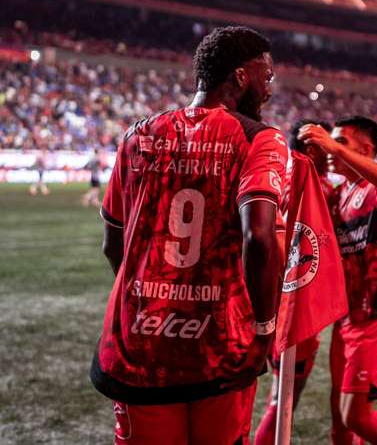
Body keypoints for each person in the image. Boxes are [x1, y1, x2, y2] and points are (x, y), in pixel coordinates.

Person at [91, 26, 288, 445]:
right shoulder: (259, 139)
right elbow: (259, 236)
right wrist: (265, 326)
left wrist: (150, 298)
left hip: (139, 343)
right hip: (220, 344)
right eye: (266, 76)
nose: (269, 89)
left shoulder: (138, 135)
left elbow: (113, 242)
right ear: (240, 77)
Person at [298, 115, 377, 445]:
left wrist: (333, 147)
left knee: (356, 415)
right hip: (345, 318)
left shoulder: (375, 189)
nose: (332, 147)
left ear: (366, 149)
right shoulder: (337, 195)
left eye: (342, 142)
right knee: (340, 418)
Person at [252, 120, 334, 445]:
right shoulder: (315, 187)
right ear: (313, 148)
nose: (332, 156)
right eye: (328, 147)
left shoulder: (276, 177)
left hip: (266, 301)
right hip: (294, 303)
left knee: (276, 392)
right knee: (284, 401)